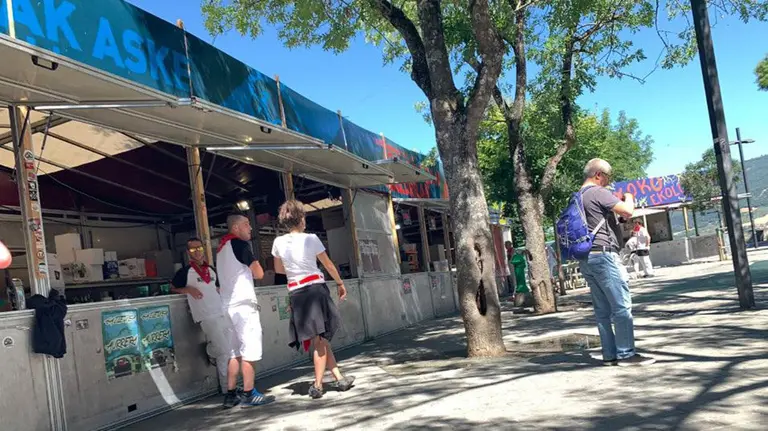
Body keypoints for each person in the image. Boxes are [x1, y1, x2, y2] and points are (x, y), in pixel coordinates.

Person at [271, 200, 355, 399]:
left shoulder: (278, 242)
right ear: (300, 218)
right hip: (315, 290)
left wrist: (295, 271)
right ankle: (317, 386)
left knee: (320, 338)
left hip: (296, 293)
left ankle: (339, 378)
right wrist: (340, 283)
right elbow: (328, 264)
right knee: (319, 340)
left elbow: (278, 269)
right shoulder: (311, 239)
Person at [578, 158, 655, 367]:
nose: (608, 181)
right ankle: (626, 354)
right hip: (604, 256)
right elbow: (628, 211)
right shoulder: (597, 192)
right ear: (598, 175)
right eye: (607, 177)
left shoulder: (577, 196)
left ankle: (609, 354)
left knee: (602, 311)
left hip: (587, 257)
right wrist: (629, 197)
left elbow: (609, 218)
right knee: (621, 306)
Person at [216, 214, 274, 408]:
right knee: (250, 349)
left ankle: (231, 394)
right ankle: (249, 393)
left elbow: (218, 285)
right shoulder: (240, 245)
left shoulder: (221, 250)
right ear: (235, 228)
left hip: (227, 306)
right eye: (246, 224)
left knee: (234, 353)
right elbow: (259, 273)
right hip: (243, 305)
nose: (250, 228)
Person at [170, 238, 233, 396]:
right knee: (224, 351)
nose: (197, 252)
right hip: (206, 315)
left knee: (226, 350)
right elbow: (172, 288)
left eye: (199, 248)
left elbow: (217, 287)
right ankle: (227, 389)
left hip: (221, 312)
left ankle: (212, 351)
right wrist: (187, 289)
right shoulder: (184, 272)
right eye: (193, 249)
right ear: (188, 253)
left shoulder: (211, 269)